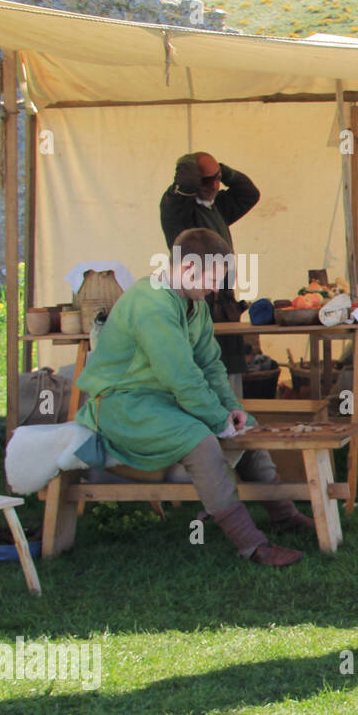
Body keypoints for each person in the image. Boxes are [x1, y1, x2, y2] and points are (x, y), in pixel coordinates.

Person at [75, 228, 312, 567]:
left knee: (246, 429)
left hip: (161, 401)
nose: (216, 289)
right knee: (199, 440)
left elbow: (209, 363)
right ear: (187, 269)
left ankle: (284, 515)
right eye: (212, 280)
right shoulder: (151, 303)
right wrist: (216, 419)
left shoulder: (194, 302)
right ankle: (251, 546)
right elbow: (181, 375)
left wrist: (231, 408)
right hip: (119, 405)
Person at [160, 151, 261, 396]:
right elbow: (184, 187)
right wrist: (191, 169)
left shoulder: (217, 207)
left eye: (217, 179)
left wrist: (221, 171)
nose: (215, 186)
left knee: (228, 373)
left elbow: (250, 194)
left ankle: (232, 423)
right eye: (207, 181)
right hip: (196, 303)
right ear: (193, 180)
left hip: (224, 303)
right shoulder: (178, 208)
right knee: (203, 369)